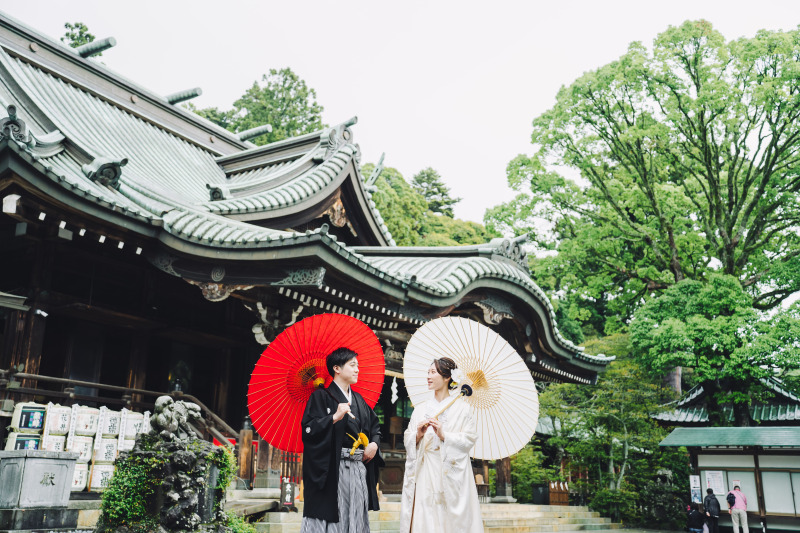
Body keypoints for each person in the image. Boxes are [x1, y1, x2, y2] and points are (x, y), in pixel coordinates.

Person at [300, 348, 383, 533]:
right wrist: (333, 418)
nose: (357, 370)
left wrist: (374, 444)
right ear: (337, 368)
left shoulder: (359, 400)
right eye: (352, 365)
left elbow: (376, 427)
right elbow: (308, 431)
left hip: (357, 468)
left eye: (358, 366)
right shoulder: (320, 397)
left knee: (356, 516)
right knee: (333, 515)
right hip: (333, 470)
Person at [399, 357, 484, 533]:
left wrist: (445, 435)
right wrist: (418, 435)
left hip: (449, 470)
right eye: (428, 373)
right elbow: (408, 437)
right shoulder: (420, 409)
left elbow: (469, 438)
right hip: (425, 469)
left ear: (447, 378)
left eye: (433, 373)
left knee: (448, 516)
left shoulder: (463, 408)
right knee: (425, 511)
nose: (428, 377)